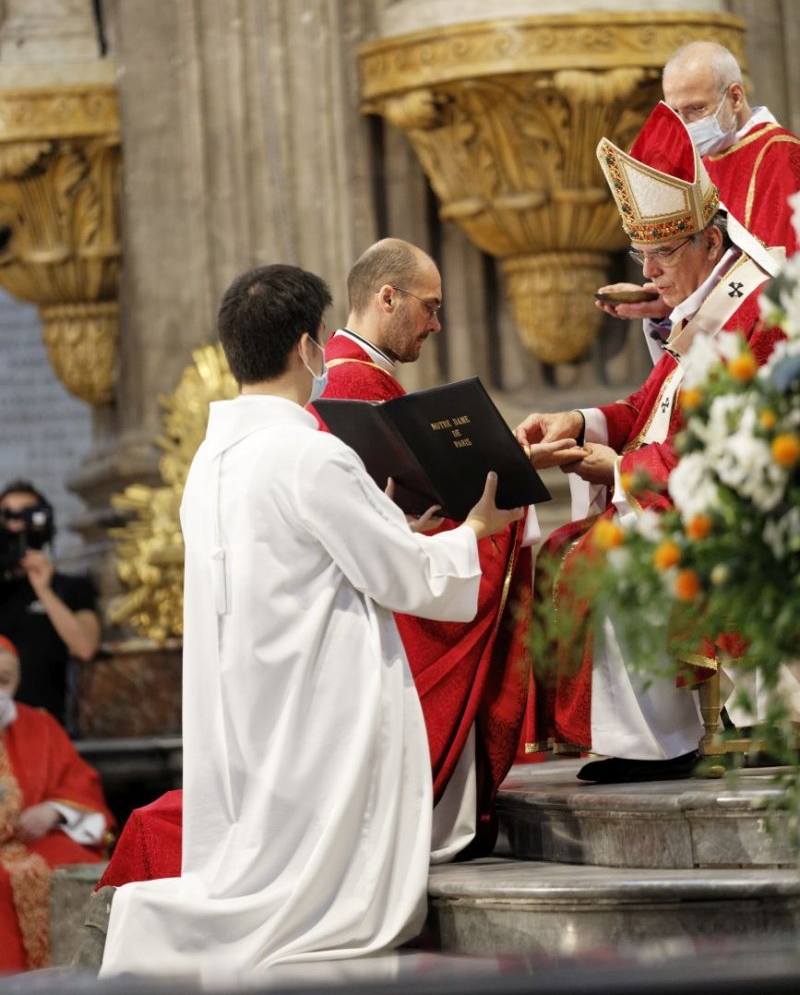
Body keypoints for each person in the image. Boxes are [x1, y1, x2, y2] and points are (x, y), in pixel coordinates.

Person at [99, 263, 523, 979]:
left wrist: (388, 523)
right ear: (307, 348)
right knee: (320, 895)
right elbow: (409, 579)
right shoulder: (309, 453)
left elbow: (306, 559)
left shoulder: (211, 462)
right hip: (321, 713)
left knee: (258, 859)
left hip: (255, 710)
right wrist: (474, 529)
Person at [516, 101, 785, 783]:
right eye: (643, 253)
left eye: (664, 251)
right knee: (558, 553)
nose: (652, 270)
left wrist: (626, 468)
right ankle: (635, 739)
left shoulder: (757, 310)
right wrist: (579, 423)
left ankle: (659, 744)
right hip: (679, 490)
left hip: (741, 514)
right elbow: (650, 405)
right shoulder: (701, 303)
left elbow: (741, 445)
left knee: (602, 557)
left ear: (710, 240)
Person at [310, 238, 580, 857]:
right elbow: (410, 521)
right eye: (429, 308)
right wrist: (506, 506)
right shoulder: (359, 386)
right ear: (387, 297)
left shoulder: (346, 376)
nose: (437, 323)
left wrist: (507, 460)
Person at [597, 40, 799, 337]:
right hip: (719, 333)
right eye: (676, 113)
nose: (685, 125)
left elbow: (778, 276)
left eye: (695, 109)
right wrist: (668, 303)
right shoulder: (698, 165)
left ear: (735, 98)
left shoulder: (783, 158)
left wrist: (690, 305)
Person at [0, 634, 112, 972]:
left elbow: (81, 784)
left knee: (81, 873)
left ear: (16, 682)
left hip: (33, 841)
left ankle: (72, 980)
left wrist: (53, 811)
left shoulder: (41, 726)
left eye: (3, 679)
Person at [0, 481, 100, 726]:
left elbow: (85, 647)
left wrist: (44, 590)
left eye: (27, 515)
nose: (16, 525)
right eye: (7, 515)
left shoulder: (70, 588)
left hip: (46, 730)